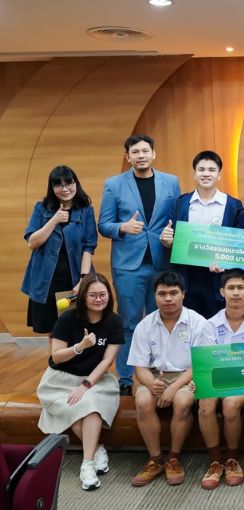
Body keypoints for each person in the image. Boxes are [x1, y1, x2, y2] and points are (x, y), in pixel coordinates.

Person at [98, 134, 181, 396]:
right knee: (129, 322)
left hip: (162, 263)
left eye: (145, 151)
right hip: (128, 266)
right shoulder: (114, 184)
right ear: (128, 156)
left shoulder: (171, 182)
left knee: (163, 321)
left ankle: (160, 373)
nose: (141, 155)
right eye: (135, 152)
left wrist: (173, 236)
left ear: (153, 154)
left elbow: (178, 219)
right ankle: (125, 378)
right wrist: (122, 227)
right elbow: (104, 225)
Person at [36, 273, 123, 491]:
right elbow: (56, 357)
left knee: (90, 406)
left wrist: (86, 385)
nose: (98, 299)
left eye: (103, 294)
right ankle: (97, 449)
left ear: (109, 296)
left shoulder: (114, 321)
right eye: (92, 295)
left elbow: (107, 361)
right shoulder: (68, 318)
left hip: (95, 378)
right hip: (60, 379)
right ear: (83, 296)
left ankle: (87, 464)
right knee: (77, 407)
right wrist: (80, 347)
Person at [127, 270, 206, 487]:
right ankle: (156, 459)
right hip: (154, 376)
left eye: (173, 293)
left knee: (182, 401)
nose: (168, 298)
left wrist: (173, 388)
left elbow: (199, 365)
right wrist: (152, 384)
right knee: (143, 400)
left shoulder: (198, 322)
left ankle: (173, 458)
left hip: (187, 376)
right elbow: (140, 367)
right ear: (155, 296)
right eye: (162, 294)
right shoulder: (145, 325)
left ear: (183, 294)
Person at [195, 268, 244, 490]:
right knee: (205, 404)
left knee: (230, 404)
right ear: (222, 292)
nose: (235, 293)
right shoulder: (210, 324)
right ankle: (215, 461)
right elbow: (208, 362)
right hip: (218, 379)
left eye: (240, 288)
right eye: (230, 288)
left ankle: (232, 459)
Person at [161, 150, 244, 319]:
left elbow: (239, 246)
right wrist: (168, 241)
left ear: (219, 175)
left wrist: (225, 263)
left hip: (219, 279)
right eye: (201, 169)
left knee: (217, 325)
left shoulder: (233, 205)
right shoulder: (181, 203)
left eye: (211, 170)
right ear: (194, 174)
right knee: (189, 324)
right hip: (187, 277)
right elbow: (173, 239)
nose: (206, 174)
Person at [23, 165, 97, 335]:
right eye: (58, 185)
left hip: (73, 280)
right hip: (46, 282)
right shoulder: (41, 208)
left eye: (68, 183)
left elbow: (88, 247)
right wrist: (54, 220)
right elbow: (32, 242)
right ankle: (55, 355)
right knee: (52, 332)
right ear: (52, 187)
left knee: (73, 329)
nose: (65, 189)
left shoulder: (86, 211)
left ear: (75, 184)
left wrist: (83, 280)